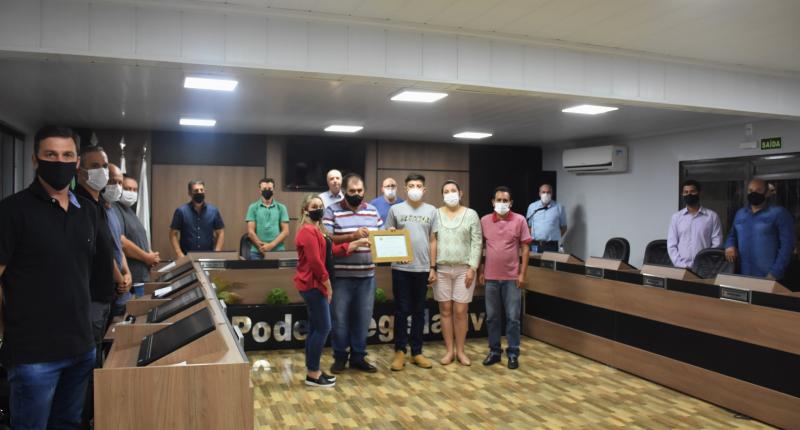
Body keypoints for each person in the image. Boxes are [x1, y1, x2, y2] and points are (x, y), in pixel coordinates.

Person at [0, 126, 97, 428]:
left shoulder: (87, 211)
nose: (59, 162)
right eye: (51, 155)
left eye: (67, 155)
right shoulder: (12, 211)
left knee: (68, 423)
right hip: (34, 355)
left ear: (77, 162)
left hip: (81, 348)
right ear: (35, 159)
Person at [294, 194, 369, 387]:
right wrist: (327, 285)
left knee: (316, 329)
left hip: (315, 285)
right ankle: (313, 373)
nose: (319, 209)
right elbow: (316, 262)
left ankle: (312, 371)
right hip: (314, 285)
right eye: (314, 206)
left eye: (320, 206)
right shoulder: (307, 231)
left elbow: (330, 251)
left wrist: (354, 244)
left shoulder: (317, 230)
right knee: (323, 328)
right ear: (305, 210)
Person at [323, 173, 383, 373]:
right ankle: (340, 357)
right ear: (344, 191)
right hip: (341, 278)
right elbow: (327, 239)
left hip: (367, 277)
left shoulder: (373, 211)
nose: (356, 194)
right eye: (352, 191)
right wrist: (353, 236)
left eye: (360, 190)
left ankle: (358, 357)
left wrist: (391, 236)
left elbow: (382, 237)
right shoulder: (332, 211)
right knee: (340, 321)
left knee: (363, 320)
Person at [74, 147, 129, 356]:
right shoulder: (79, 205)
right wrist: (119, 278)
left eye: (104, 166)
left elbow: (108, 248)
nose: (102, 171)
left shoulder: (99, 205)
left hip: (105, 295)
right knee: (89, 358)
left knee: (98, 355)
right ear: (80, 171)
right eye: (95, 166)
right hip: (91, 297)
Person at [384, 173, 438, 371]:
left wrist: (433, 267)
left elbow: (433, 240)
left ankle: (417, 352)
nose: (415, 189)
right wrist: (389, 234)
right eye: (411, 185)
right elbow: (387, 234)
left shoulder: (431, 210)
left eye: (418, 186)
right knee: (401, 310)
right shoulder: (395, 209)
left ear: (424, 189)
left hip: (422, 268)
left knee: (419, 311)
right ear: (405, 188)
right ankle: (400, 351)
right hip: (401, 268)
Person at [479, 186, 531, 370]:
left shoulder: (520, 220)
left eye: (505, 200)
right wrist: (481, 270)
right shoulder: (484, 220)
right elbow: (480, 247)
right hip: (490, 278)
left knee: (513, 318)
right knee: (492, 317)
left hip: (512, 278)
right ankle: (494, 352)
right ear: (493, 202)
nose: (501, 203)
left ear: (511, 203)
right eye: (498, 200)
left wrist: (522, 273)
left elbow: (525, 248)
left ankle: (513, 353)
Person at [431, 180, 482, 366]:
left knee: (461, 311)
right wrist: (432, 267)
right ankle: (449, 351)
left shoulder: (471, 214)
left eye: (453, 190)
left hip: (464, 270)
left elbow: (477, 242)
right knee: (445, 310)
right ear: (442, 195)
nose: (450, 193)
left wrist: (472, 268)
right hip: (442, 269)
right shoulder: (435, 214)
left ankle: (460, 351)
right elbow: (432, 241)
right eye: (446, 191)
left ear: (460, 193)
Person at [725, 178, 795, 281]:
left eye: (758, 190)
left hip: (768, 276)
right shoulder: (740, 213)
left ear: (767, 193)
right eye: (750, 190)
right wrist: (729, 246)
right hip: (743, 275)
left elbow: (788, 245)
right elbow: (732, 235)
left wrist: (775, 273)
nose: (754, 193)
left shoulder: (779, 213)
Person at [667, 179, 723, 268]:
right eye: (686, 192)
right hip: (681, 267)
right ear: (682, 194)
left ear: (699, 193)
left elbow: (717, 244)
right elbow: (671, 245)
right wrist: (681, 265)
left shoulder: (712, 217)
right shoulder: (676, 217)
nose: (689, 194)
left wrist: (707, 263)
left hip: (704, 268)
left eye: (692, 191)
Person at [115, 174, 159, 284]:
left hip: (141, 276)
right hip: (129, 278)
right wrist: (147, 257)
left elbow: (137, 239)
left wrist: (151, 255)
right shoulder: (115, 209)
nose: (131, 193)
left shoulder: (130, 211)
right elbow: (121, 242)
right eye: (127, 189)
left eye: (135, 190)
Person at [103, 163, 134, 316]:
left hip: (121, 291)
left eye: (120, 183)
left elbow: (118, 248)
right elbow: (105, 251)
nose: (116, 186)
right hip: (106, 290)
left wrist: (127, 274)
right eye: (112, 181)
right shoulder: (97, 211)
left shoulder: (112, 211)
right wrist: (120, 279)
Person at [169, 179, 225, 258]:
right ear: (189, 193)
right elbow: (173, 234)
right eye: (196, 190)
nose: (199, 192)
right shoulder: (181, 211)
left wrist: (217, 252)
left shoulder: (213, 211)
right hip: (187, 257)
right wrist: (179, 254)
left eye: (201, 190)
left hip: (208, 257)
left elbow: (220, 233)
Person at [246, 177, 290, 259]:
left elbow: (285, 231)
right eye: (264, 189)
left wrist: (271, 246)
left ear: (274, 190)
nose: (267, 190)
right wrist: (262, 247)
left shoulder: (281, 208)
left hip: (278, 250)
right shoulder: (253, 207)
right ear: (260, 190)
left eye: (270, 188)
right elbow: (250, 232)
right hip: (257, 252)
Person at [526, 184, 567, 253]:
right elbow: (529, 226)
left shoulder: (559, 207)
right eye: (543, 192)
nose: (546, 194)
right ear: (539, 193)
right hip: (535, 244)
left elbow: (564, 227)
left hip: (551, 245)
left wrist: (554, 236)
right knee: (534, 260)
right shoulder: (532, 207)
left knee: (550, 260)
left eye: (548, 192)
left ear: (552, 194)